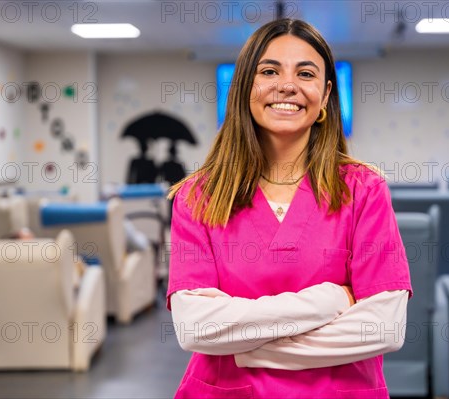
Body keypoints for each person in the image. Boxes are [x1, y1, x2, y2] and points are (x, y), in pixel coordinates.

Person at [166, 18, 412, 398]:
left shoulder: (364, 190)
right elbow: (196, 328)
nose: (287, 85)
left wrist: (245, 344)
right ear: (245, 86)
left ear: (326, 93)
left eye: (306, 73)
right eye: (269, 70)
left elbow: (383, 327)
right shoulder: (198, 196)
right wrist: (332, 299)